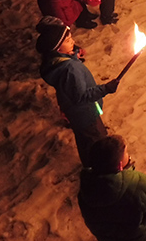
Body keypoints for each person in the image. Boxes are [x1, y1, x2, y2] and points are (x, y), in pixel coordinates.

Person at [36, 16, 119, 166]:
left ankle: (90, 161)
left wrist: (73, 55)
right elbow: (81, 96)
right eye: (68, 41)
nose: (73, 42)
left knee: (84, 139)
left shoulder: (55, 62)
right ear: (57, 49)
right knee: (96, 141)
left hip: (74, 113)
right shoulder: (70, 69)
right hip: (86, 113)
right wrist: (105, 88)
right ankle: (99, 167)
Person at [78, 135, 146, 241]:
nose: (128, 155)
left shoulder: (85, 192)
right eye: (126, 153)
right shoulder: (136, 186)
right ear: (119, 166)